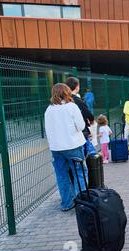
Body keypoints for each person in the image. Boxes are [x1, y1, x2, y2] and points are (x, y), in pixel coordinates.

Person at [44, 83, 87, 211]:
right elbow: (81, 126)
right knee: (79, 173)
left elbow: (48, 130)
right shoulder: (71, 107)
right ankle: (82, 203)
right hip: (73, 145)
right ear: (67, 92)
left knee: (62, 175)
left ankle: (67, 203)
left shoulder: (49, 110)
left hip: (56, 148)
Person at [65, 77, 95, 157]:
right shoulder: (76, 100)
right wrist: (91, 121)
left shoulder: (62, 100)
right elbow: (88, 113)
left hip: (67, 134)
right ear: (77, 87)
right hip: (81, 131)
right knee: (84, 155)